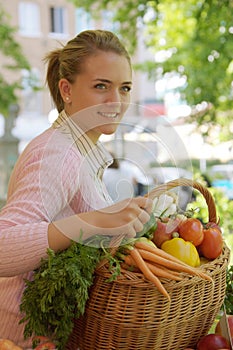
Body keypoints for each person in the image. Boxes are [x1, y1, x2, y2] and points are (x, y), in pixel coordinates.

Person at [0, 29, 153, 347]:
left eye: (124, 88)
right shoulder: (58, 154)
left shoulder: (78, 150)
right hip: (23, 338)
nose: (116, 102)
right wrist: (92, 222)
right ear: (66, 90)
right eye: (101, 87)